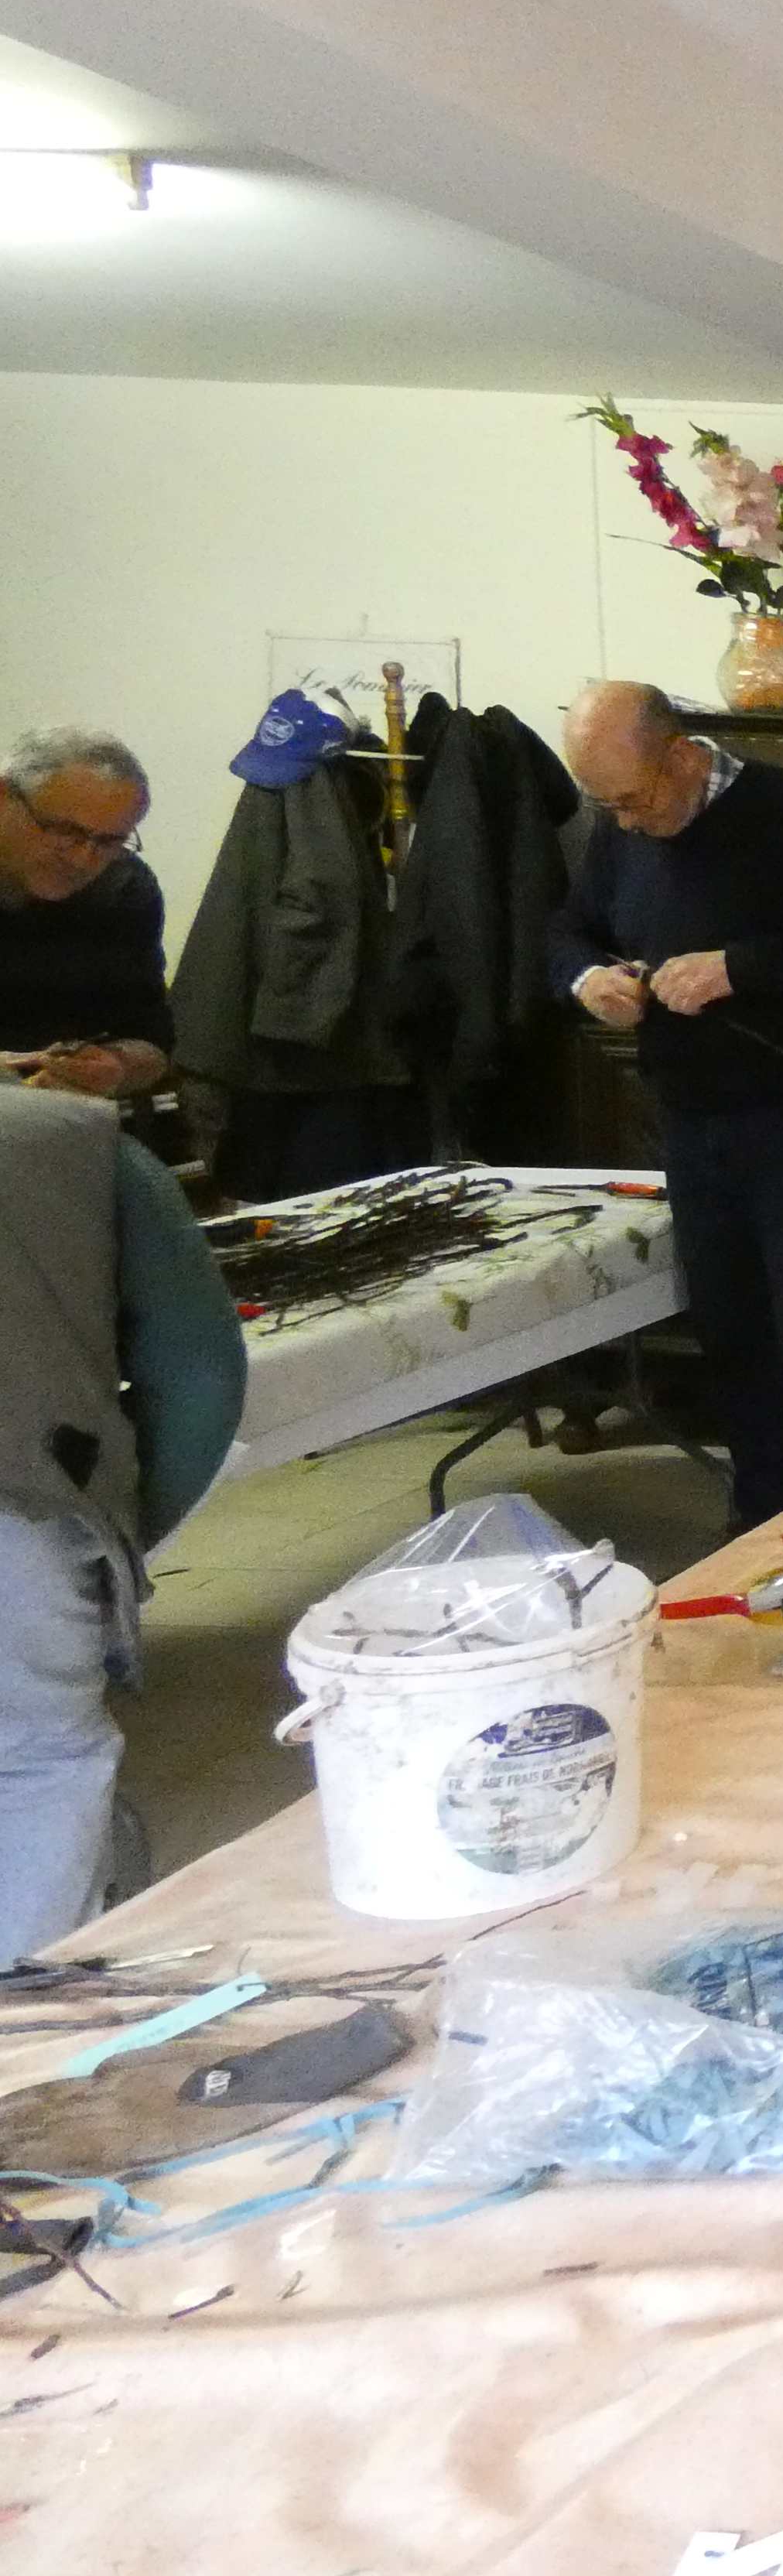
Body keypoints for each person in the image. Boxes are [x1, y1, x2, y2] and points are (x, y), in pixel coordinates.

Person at [550, 682, 783, 1532]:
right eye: (607, 806)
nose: (625, 822)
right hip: (687, 1118)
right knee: (733, 1335)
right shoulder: (621, 826)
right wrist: (587, 978)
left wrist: (736, 969)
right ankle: (758, 1520)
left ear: (681, 757)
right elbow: (568, 928)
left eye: (633, 800)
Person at [0, 1086, 243, 1955]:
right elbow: (202, 1375)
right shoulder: (65, 1140)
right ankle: (23, 2023)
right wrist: (117, 1528)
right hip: (19, 1514)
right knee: (35, 1767)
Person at [0, 727, 172, 1100]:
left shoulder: (123, 887)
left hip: (57, 1113)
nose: (83, 860)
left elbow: (152, 1036)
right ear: (3, 798)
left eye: (110, 841)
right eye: (65, 831)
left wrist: (118, 1067)